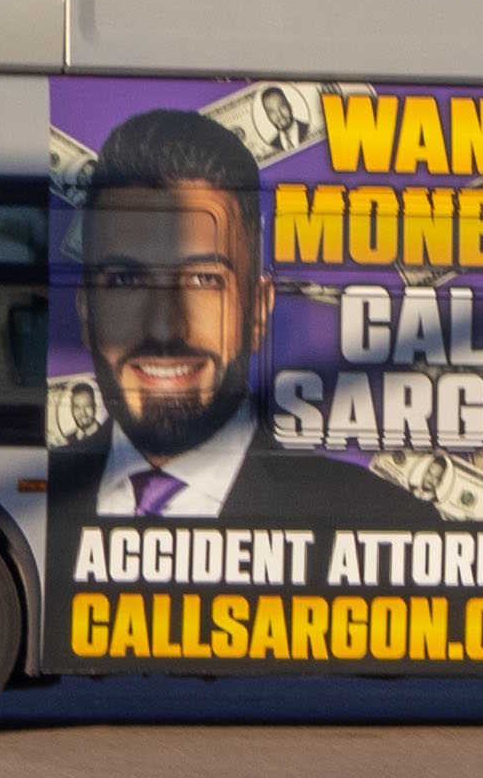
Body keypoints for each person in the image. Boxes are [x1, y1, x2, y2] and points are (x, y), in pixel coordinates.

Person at [52, 108, 430, 525]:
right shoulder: (28, 500)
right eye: (126, 280)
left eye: (202, 279)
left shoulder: (382, 523)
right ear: (86, 310)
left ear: (259, 311)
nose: (163, 327)